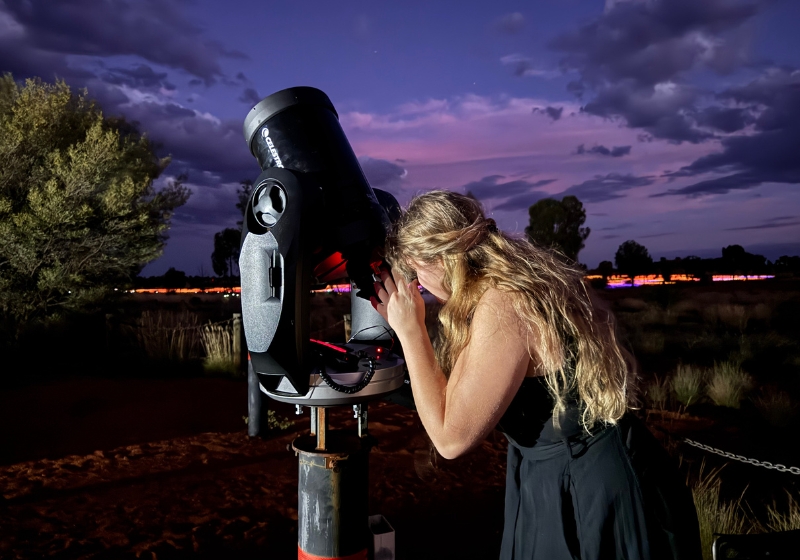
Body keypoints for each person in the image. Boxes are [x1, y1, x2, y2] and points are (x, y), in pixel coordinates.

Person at [371, 190, 701, 560]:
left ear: (443, 258)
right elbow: (460, 391)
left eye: (417, 272)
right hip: (557, 469)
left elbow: (451, 440)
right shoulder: (498, 290)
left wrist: (411, 331)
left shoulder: (503, 306)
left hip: (583, 484)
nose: (420, 286)